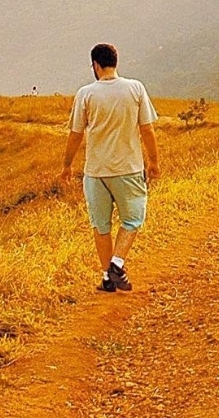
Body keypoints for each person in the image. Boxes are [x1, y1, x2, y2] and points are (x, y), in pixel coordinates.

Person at [62, 42, 160, 293]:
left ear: (95, 65)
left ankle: (107, 277)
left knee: (101, 225)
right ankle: (117, 263)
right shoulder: (135, 88)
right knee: (133, 218)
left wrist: (67, 166)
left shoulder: (86, 93)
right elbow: (147, 129)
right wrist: (154, 161)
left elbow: (75, 134)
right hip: (128, 168)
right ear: (116, 62)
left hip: (95, 172)